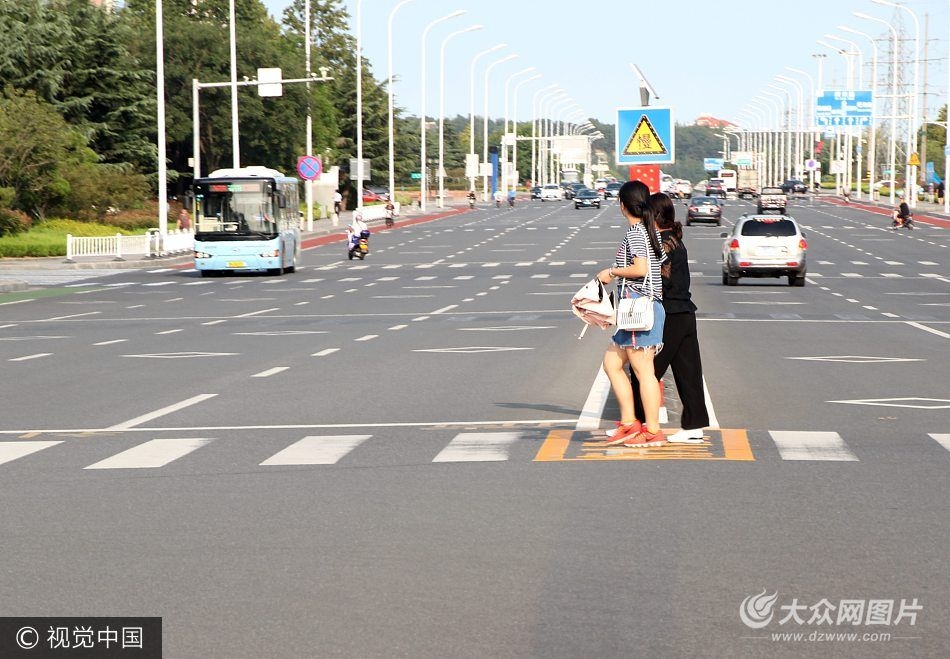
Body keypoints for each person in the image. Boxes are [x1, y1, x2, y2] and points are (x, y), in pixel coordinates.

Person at [627, 193, 709, 444]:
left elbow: (659, 281)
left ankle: (635, 423)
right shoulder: (675, 239)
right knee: (688, 372)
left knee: (644, 371)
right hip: (685, 313)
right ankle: (694, 426)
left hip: (670, 314)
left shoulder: (661, 244)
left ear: (652, 216)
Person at [596, 180, 668, 448]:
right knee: (612, 363)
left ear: (622, 204)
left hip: (638, 307)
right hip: (635, 309)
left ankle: (652, 430)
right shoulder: (648, 231)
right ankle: (629, 424)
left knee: (644, 371)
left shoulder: (637, 232)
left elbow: (641, 269)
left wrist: (612, 271)